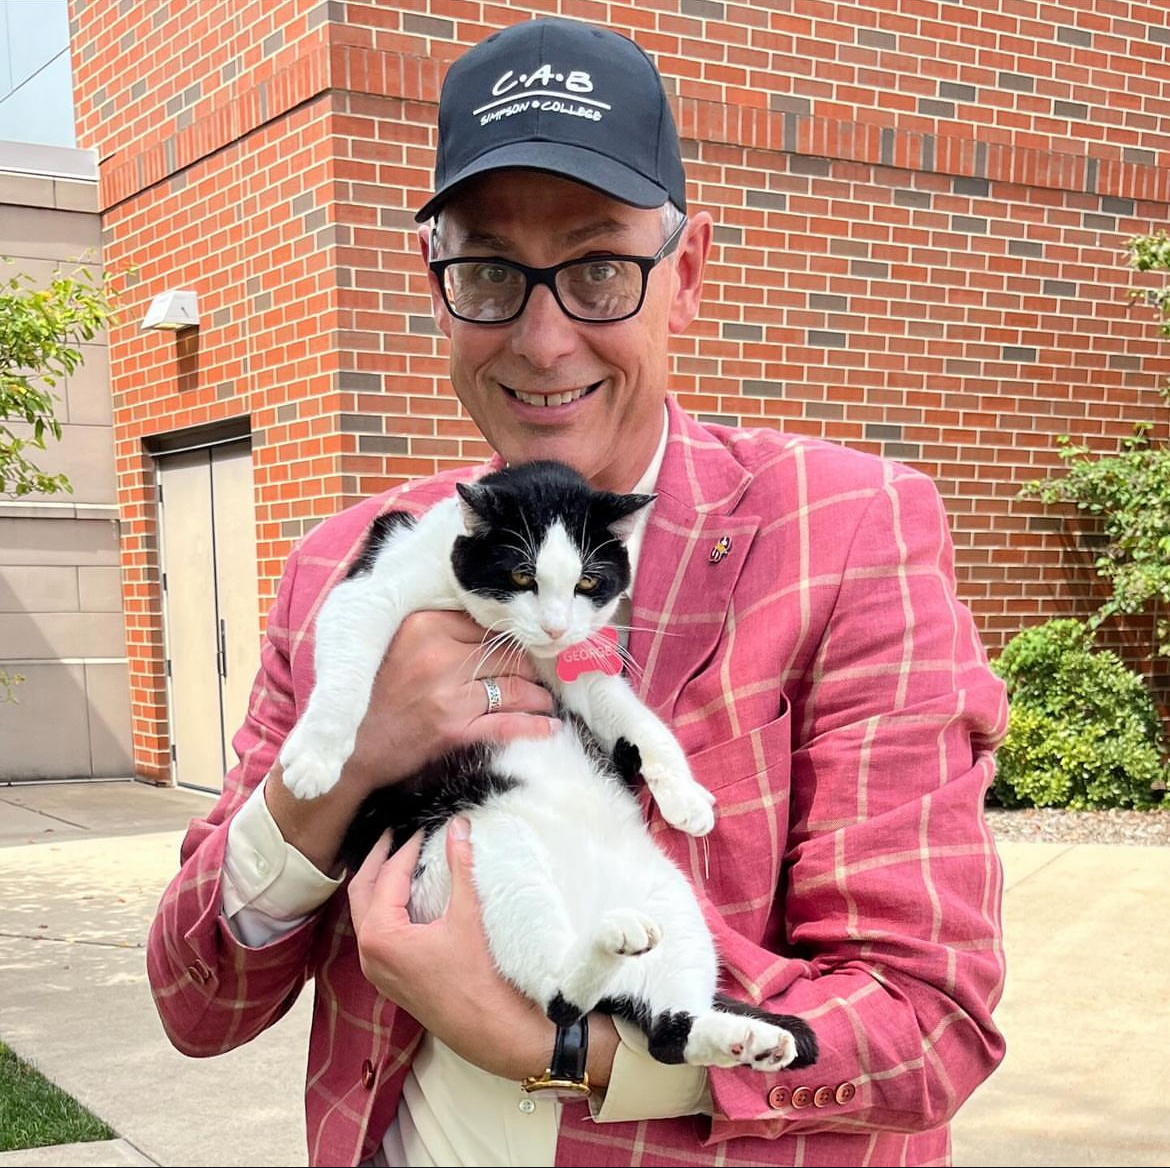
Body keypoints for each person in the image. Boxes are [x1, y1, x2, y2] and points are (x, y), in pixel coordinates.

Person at [147, 16, 1009, 1168]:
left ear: (684, 275)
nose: (545, 341)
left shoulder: (847, 532)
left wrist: (562, 1048)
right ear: (440, 290)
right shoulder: (348, 565)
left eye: (600, 266)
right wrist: (348, 766)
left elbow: (928, 1022)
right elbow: (196, 1000)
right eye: (493, 272)